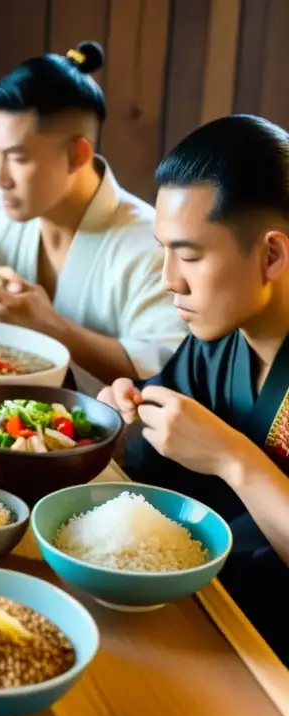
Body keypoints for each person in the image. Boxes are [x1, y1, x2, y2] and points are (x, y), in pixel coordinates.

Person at [0, 41, 186, 393]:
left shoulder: (153, 247)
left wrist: (50, 327)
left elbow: (166, 370)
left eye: (17, 158)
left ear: (76, 155)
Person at [99, 114, 289, 662]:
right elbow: (152, 458)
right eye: (164, 251)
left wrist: (232, 458)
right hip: (201, 617)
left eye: (190, 255)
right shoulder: (218, 335)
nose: (168, 279)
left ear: (271, 255)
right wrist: (122, 417)